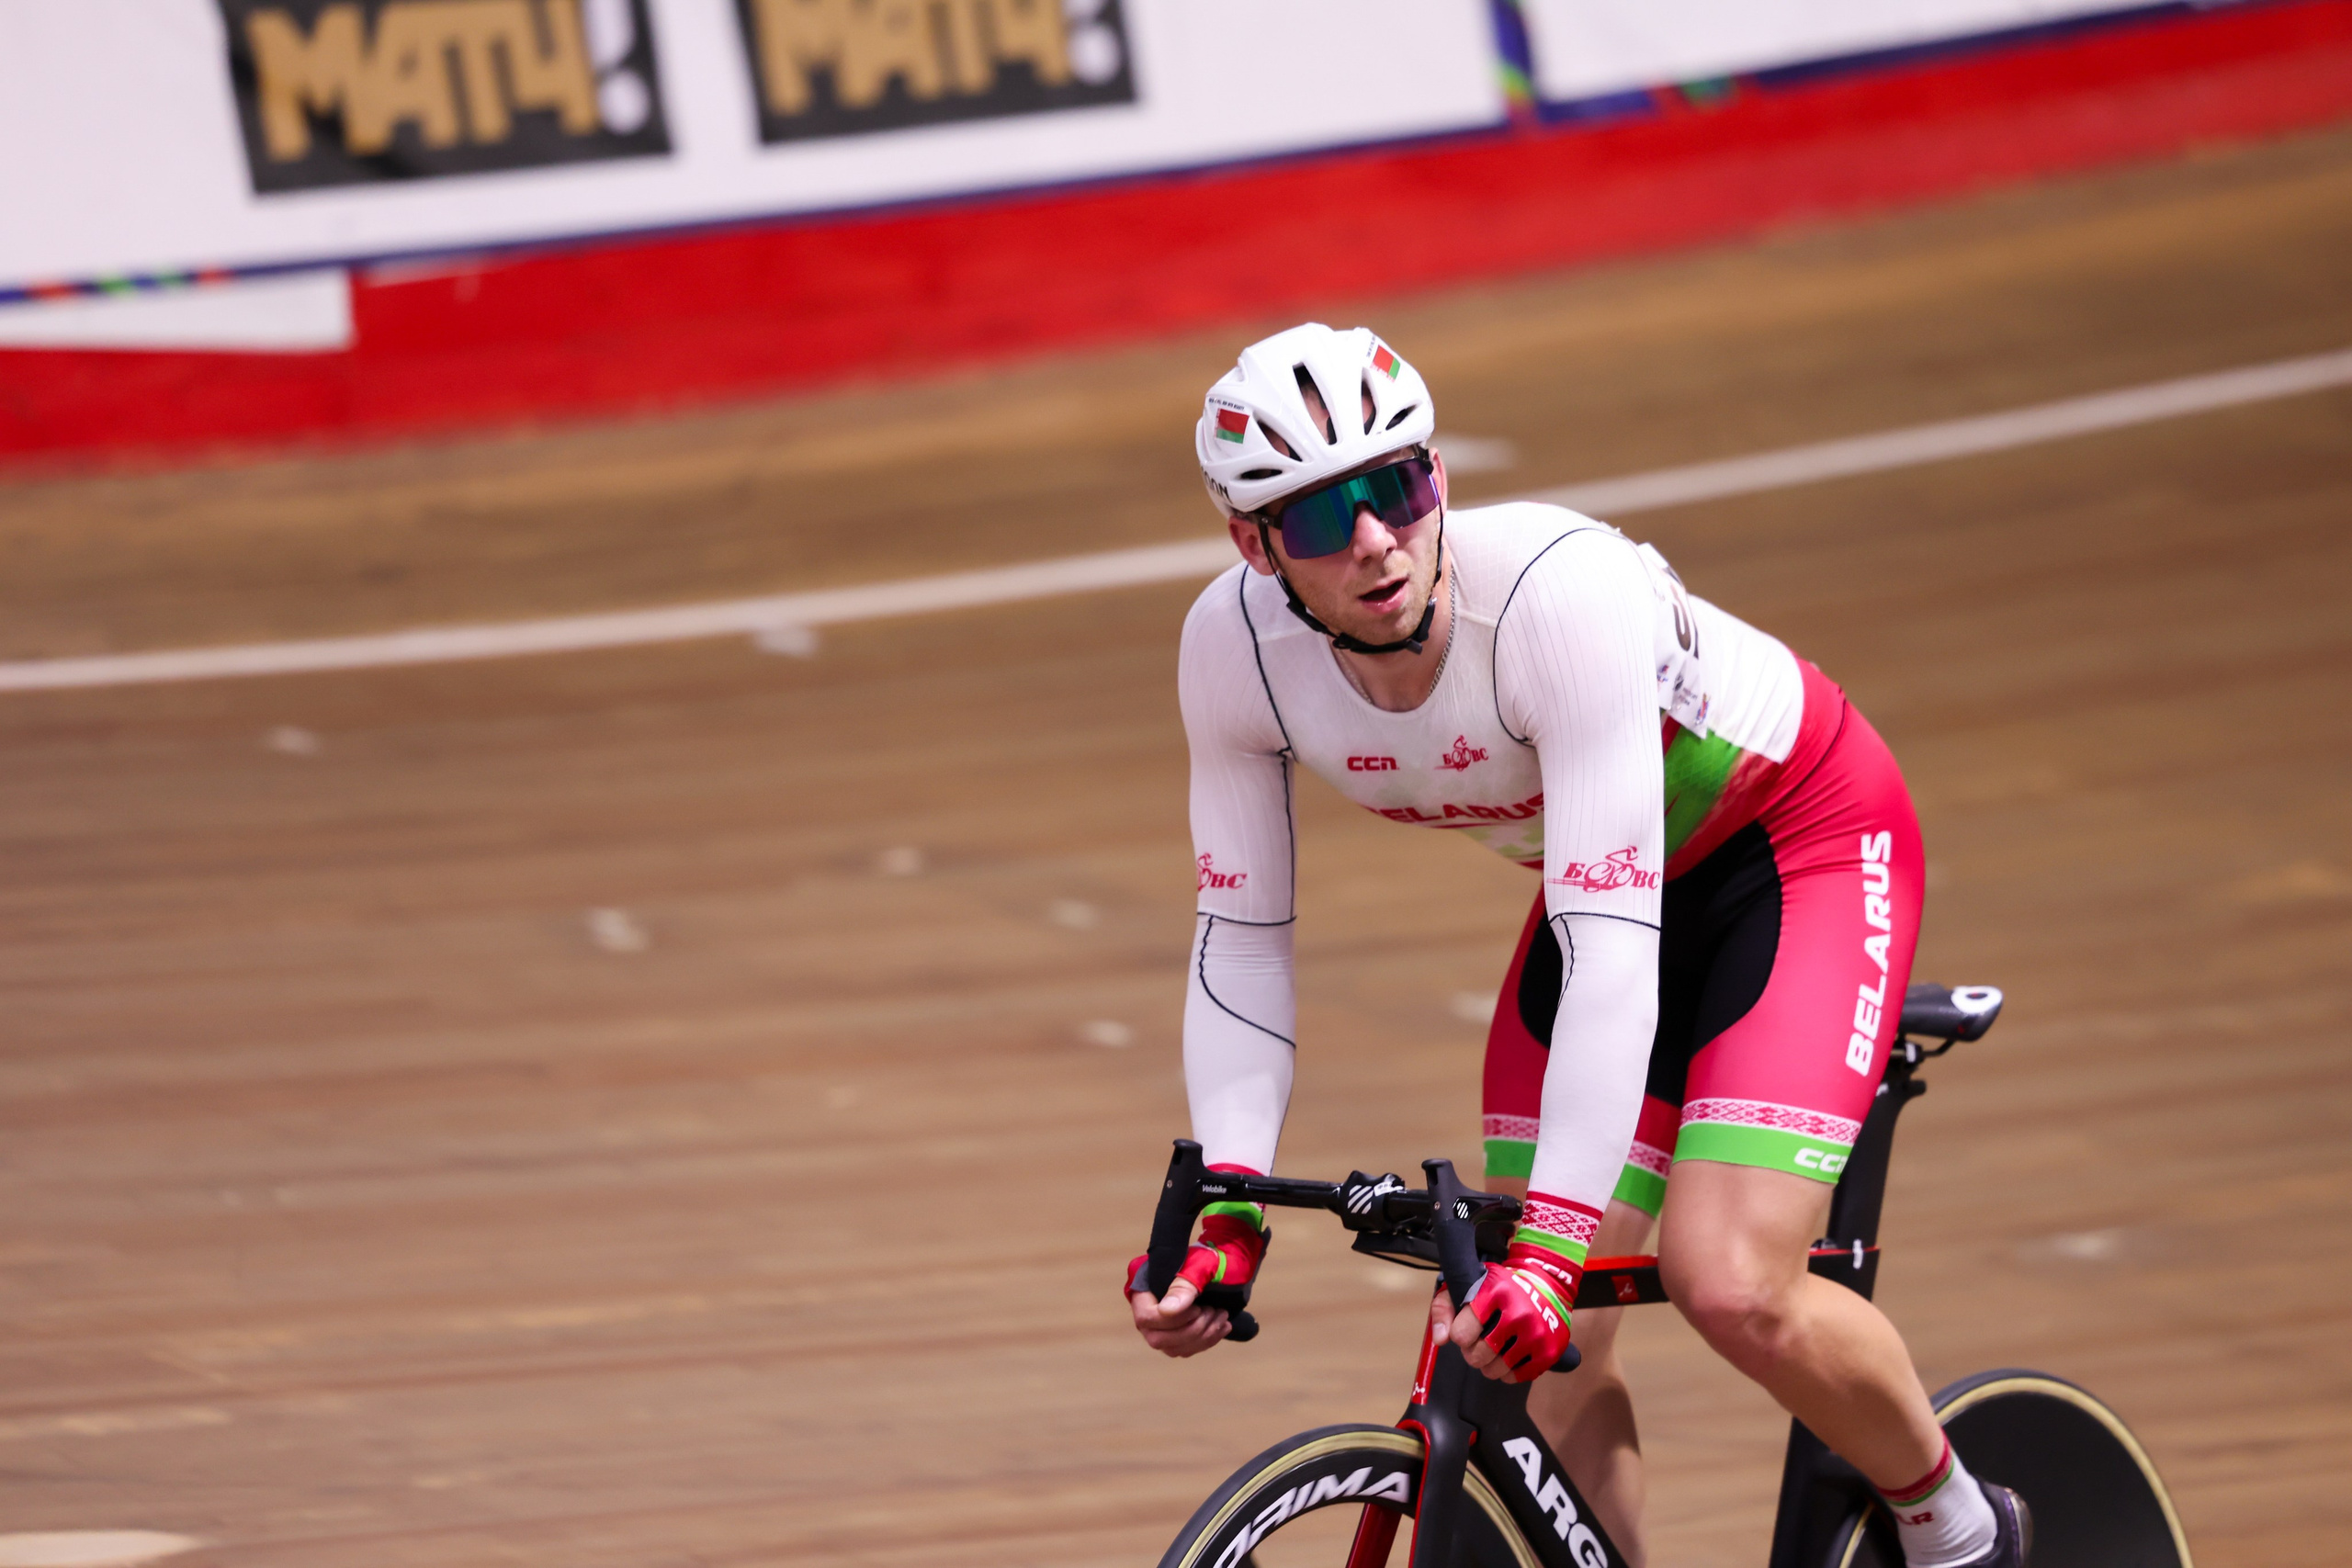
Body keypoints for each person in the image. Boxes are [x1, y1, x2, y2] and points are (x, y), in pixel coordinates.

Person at [1124, 323, 2029, 1568]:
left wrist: (1553, 1248)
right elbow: (1242, 935)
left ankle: (1961, 1531)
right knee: (1519, 1357)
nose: (1380, 539)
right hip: (1610, 890)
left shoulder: (1557, 596)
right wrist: (1230, 1205)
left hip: (1799, 847)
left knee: (1722, 1279)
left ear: (1437, 475)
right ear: (1255, 544)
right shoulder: (1232, 656)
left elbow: (1611, 951)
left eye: (1398, 485)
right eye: (1326, 517)